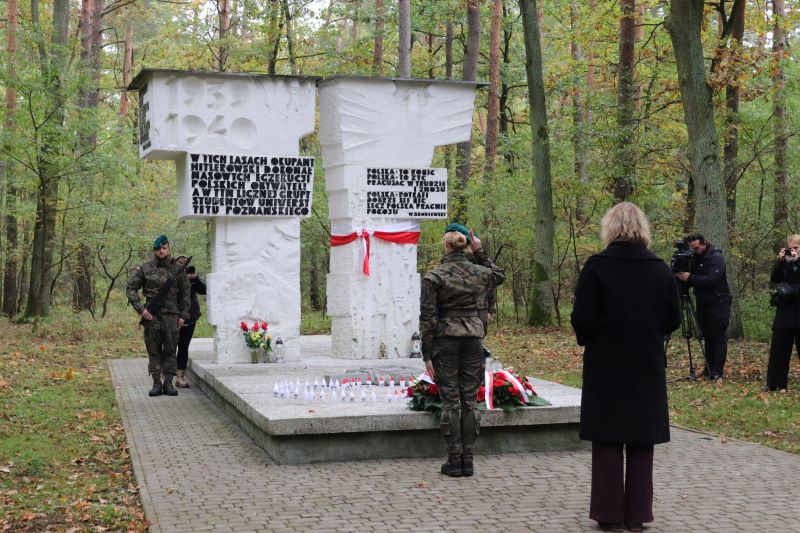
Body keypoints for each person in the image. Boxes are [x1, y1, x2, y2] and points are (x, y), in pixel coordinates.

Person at [571, 203, 680, 532]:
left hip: (606, 363)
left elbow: (582, 319)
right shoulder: (659, 268)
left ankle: (609, 514)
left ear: (610, 228)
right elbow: (672, 319)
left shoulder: (596, 266)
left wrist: (592, 335)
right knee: (640, 438)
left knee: (606, 438)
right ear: (643, 228)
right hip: (645, 362)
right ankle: (636, 515)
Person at [419, 222, 505, 477]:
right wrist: (480, 252)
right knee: (469, 400)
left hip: (445, 341)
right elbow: (499, 275)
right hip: (473, 339)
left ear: (445, 245)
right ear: (467, 246)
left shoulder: (434, 277)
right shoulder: (480, 272)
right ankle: (468, 459)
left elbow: (428, 318)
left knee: (451, 401)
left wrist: (426, 354)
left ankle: (454, 459)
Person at [126, 235, 191, 397]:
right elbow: (131, 288)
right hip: (152, 317)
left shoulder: (177, 269)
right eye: (158, 249)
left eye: (164, 248)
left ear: (168, 249)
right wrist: (141, 309)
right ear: (154, 250)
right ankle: (156, 383)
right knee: (153, 350)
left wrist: (183, 315)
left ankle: (168, 383)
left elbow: (186, 293)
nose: (161, 251)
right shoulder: (145, 268)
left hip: (172, 317)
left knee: (170, 349)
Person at [675, 233, 732, 380]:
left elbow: (713, 279)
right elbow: (691, 280)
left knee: (718, 336)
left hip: (718, 303)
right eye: (692, 248)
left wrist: (691, 278)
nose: (695, 251)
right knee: (707, 336)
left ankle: (717, 371)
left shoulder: (716, 257)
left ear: (704, 244)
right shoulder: (695, 258)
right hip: (703, 303)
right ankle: (709, 368)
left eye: (697, 248)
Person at [765, 235, 800, 391]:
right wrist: (780, 261)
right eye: (790, 248)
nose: (792, 251)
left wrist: (798, 260)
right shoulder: (786, 262)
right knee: (779, 346)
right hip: (785, 308)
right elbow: (775, 278)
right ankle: (775, 383)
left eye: (796, 247)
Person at [174, 259, 206, 388]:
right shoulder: (170, 277)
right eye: (179, 263)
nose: (183, 266)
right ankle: (163, 377)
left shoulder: (192, 280)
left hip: (190, 317)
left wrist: (195, 279)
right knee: (169, 347)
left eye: (184, 264)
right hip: (173, 318)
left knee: (183, 347)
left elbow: (203, 290)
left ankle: (179, 377)